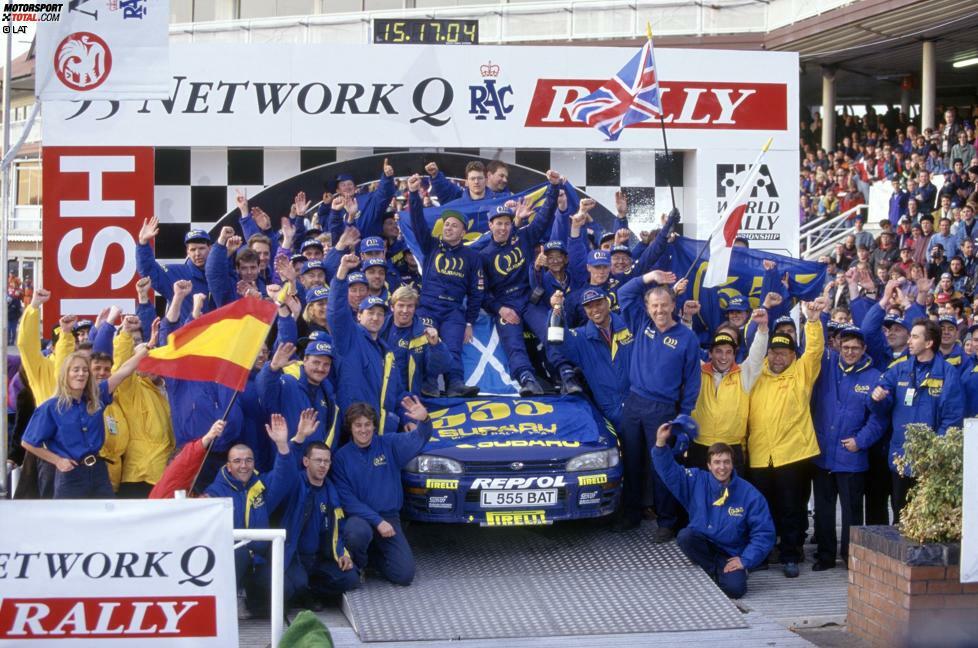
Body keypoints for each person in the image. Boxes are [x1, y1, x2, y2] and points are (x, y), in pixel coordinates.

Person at [478, 170, 582, 396]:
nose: (503, 228)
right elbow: (482, 295)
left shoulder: (523, 237)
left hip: (529, 299)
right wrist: (500, 309)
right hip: (506, 304)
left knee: (552, 331)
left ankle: (566, 374)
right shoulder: (483, 256)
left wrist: (553, 188)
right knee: (513, 342)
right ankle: (527, 380)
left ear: (510, 224)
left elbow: (544, 217)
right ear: (490, 226)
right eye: (498, 224)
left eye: (506, 223)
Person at [616, 271, 701, 537]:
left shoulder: (687, 338)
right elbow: (623, 294)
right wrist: (649, 277)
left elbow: (693, 381)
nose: (659, 310)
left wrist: (683, 419)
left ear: (674, 305)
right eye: (654, 305)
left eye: (664, 305)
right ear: (647, 308)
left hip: (663, 409)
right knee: (631, 461)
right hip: (634, 402)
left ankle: (666, 521)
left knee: (661, 466)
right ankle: (631, 514)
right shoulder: (642, 322)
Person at [746, 300, 823, 578]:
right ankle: (764, 553)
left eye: (784, 353)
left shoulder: (801, 373)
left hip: (792, 454)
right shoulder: (755, 375)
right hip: (759, 454)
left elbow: (814, 352)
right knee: (760, 510)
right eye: (774, 353)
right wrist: (761, 327)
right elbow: (752, 347)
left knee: (791, 509)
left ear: (793, 355)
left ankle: (790, 554)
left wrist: (812, 322)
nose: (778, 358)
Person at [652, 426, 775, 599]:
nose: (722, 467)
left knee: (736, 590)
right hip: (703, 544)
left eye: (726, 462)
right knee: (685, 536)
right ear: (709, 465)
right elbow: (670, 472)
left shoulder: (750, 494)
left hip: (731, 553)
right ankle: (715, 571)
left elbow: (764, 533)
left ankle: (722, 573)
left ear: (732, 464)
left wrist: (745, 560)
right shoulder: (696, 481)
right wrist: (660, 442)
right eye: (717, 462)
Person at [20, 346, 148, 498]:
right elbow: (28, 442)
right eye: (75, 370)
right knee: (70, 520)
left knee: (107, 518)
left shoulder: (97, 397)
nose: (81, 374)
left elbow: (123, 371)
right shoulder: (51, 407)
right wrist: (58, 461)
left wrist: (144, 351)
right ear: (65, 374)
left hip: (99, 471)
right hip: (70, 475)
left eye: (85, 370)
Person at [205, 413, 298, 619]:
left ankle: (250, 604)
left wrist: (282, 444)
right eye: (237, 461)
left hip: (256, 560)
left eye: (248, 460)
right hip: (227, 563)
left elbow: (285, 477)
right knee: (237, 554)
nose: (244, 465)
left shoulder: (260, 486)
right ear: (228, 466)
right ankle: (223, 612)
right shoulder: (215, 492)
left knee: (286, 591)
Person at [332, 396, 432, 586]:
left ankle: (373, 558)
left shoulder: (390, 444)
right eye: (358, 425)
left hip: (390, 518)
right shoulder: (341, 458)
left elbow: (420, 437)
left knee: (404, 575)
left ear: (374, 426)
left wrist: (424, 421)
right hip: (360, 519)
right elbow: (347, 500)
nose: (363, 430)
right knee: (356, 533)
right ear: (350, 428)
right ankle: (359, 564)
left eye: (368, 424)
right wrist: (376, 521)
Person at [870, 319, 964, 522]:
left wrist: (934, 451)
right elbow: (881, 406)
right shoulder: (899, 369)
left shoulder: (948, 373)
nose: (910, 341)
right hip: (901, 456)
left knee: (926, 517)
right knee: (900, 513)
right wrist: (878, 397)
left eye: (914, 336)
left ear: (929, 343)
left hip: (930, 461)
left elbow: (952, 418)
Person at [811, 326, 886, 570]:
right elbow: (813, 345)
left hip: (852, 456)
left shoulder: (874, 376)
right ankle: (825, 555)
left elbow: (879, 419)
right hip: (823, 455)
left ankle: (851, 557)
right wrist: (817, 316)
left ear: (864, 349)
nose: (850, 352)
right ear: (838, 347)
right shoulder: (828, 367)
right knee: (823, 510)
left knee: (852, 512)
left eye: (855, 348)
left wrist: (860, 441)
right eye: (846, 347)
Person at [406, 173, 485, 397]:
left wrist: (469, 321)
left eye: (454, 226)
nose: (448, 228)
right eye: (446, 224)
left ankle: (455, 384)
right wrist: (413, 195)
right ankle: (429, 383)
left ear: (463, 232)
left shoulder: (472, 257)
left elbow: (476, 292)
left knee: (453, 348)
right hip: (428, 307)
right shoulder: (431, 246)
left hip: (453, 311)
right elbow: (418, 223)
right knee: (428, 344)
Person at [276, 436, 359, 607]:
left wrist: (342, 554)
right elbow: (281, 473)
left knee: (351, 578)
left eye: (326, 461)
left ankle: (310, 591)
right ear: (306, 461)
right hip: (293, 556)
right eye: (318, 460)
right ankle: (302, 590)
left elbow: (338, 529)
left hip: (318, 558)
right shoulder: (293, 483)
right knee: (295, 584)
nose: (323, 465)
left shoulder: (331, 491)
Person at [328, 254, 406, 435]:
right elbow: (336, 313)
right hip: (352, 428)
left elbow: (398, 392)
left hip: (380, 430)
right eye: (370, 313)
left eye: (380, 314)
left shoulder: (387, 352)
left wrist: (405, 418)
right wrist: (341, 273)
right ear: (358, 315)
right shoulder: (349, 336)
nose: (375, 317)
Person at [689, 310, 769, 472]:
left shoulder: (744, 374)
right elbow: (686, 348)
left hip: (731, 447)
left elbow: (757, 354)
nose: (723, 357)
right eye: (718, 351)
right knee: (699, 496)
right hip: (699, 445)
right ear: (710, 353)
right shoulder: (698, 372)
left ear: (735, 354)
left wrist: (762, 328)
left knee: (732, 497)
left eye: (728, 352)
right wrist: (687, 319)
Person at [548, 287, 633, 427]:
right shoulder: (581, 337)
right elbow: (559, 340)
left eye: (598, 304)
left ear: (608, 302)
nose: (595, 310)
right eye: (589, 306)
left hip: (639, 403)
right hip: (612, 411)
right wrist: (557, 310)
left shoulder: (628, 326)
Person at [258, 340, 339, 455]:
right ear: (305, 360)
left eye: (326, 364)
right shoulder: (287, 382)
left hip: (315, 466)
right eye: (316, 362)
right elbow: (265, 391)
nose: (321, 368)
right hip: (287, 460)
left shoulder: (327, 392)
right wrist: (272, 368)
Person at [381, 286, 452, 397]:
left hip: (412, 398)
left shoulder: (425, 334)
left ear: (415, 308)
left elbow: (440, 368)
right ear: (392, 307)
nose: (405, 310)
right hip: (382, 393)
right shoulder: (379, 329)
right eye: (401, 305)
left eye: (410, 306)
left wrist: (436, 346)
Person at [137, 217, 212, 322]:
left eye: (201, 248)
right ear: (187, 252)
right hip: (187, 336)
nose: (197, 253)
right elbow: (148, 271)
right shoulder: (175, 273)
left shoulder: (221, 273)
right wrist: (143, 243)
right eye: (193, 249)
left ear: (210, 248)